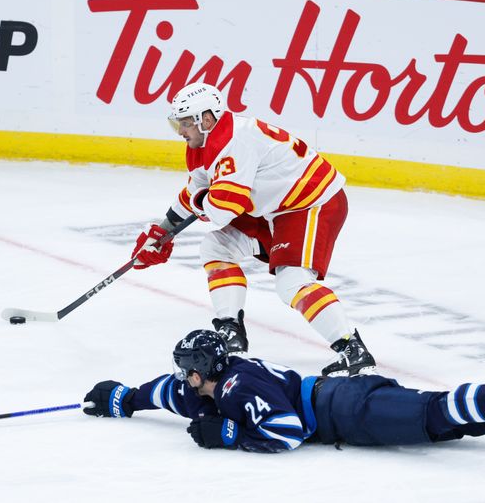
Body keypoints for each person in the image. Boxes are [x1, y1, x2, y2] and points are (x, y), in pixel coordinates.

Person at [130, 82, 375, 377]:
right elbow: (197, 190)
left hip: (311, 204)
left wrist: (197, 203)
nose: (181, 131)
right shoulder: (204, 142)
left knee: (292, 282)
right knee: (216, 247)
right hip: (273, 210)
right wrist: (162, 232)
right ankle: (231, 331)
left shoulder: (236, 142)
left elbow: (222, 210)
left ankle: (352, 349)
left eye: (184, 124)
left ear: (206, 120)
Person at [83, 329, 485, 453]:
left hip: (345, 410)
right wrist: (124, 399)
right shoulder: (214, 384)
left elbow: (286, 432)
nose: (181, 377)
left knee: (434, 414)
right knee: (444, 425)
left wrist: (228, 435)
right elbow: (171, 395)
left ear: (206, 368)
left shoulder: (239, 389)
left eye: (186, 369)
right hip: (344, 399)